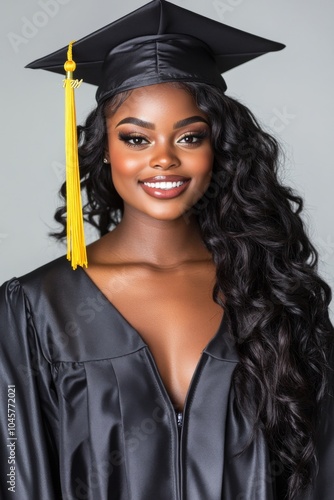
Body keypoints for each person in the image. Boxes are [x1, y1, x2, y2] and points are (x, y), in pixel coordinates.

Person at [0, 1, 333, 499]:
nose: (163, 159)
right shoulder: (35, 307)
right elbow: (20, 479)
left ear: (218, 145)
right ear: (101, 147)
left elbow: (320, 474)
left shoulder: (275, 294)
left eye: (189, 136)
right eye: (135, 138)